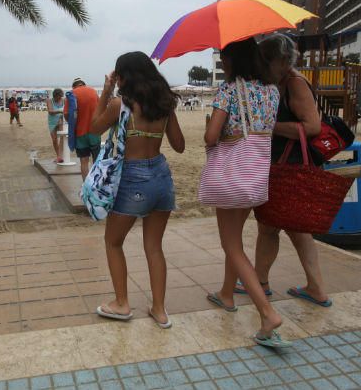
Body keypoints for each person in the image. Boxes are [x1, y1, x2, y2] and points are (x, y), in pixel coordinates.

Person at [202, 37, 289, 347]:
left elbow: (213, 136)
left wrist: (208, 132)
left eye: (224, 59)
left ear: (233, 62)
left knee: (231, 245)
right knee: (235, 239)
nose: (223, 65)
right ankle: (227, 294)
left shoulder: (228, 91)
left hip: (230, 175)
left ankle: (267, 314)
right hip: (253, 175)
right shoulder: (272, 91)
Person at [234, 33, 331, 307]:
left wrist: (268, 126)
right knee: (279, 227)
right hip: (280, 167)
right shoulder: (278, 83)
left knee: (282, 228)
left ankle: (298, 286)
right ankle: (280, 283)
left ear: (279, 60)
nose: (260, 66)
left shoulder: (295, 84)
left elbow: (312, 126)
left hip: (290, 169)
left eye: (264, 60)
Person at [90, 51, 185, 328]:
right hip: (161, 178)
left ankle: (121, 303)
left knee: (113, 241)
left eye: (117, 76)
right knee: (154, 246)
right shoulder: (165, 104)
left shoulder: (121, 104)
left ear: (123, 77)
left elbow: (94, 129)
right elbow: (179, 146)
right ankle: (159, 310)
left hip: (133, 177)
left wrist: (105, 92)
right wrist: (170, 115)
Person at [65, 78, 100, 180]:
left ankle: (86, 186)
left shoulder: (72, 94)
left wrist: (72, 122)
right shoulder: (93, 91)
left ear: (74, 86)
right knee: (96, 160)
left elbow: (66, 114)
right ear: (84, 84)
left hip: (80, 133)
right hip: (95, 131)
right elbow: (100, 109)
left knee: (84, 161)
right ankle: (97, 184)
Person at [46, 88, 65, 162]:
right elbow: (50, 111)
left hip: (61, 120)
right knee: (54, 140)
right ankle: (58, 155)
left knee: (62, 138)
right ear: (54, 96)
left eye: (61, 96)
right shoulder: (49, 100)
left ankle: (60, 156)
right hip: (52, 121)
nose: (59, 98)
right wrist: (60, 111)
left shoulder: (64, 100)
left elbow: (67, 110)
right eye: (58, 97)